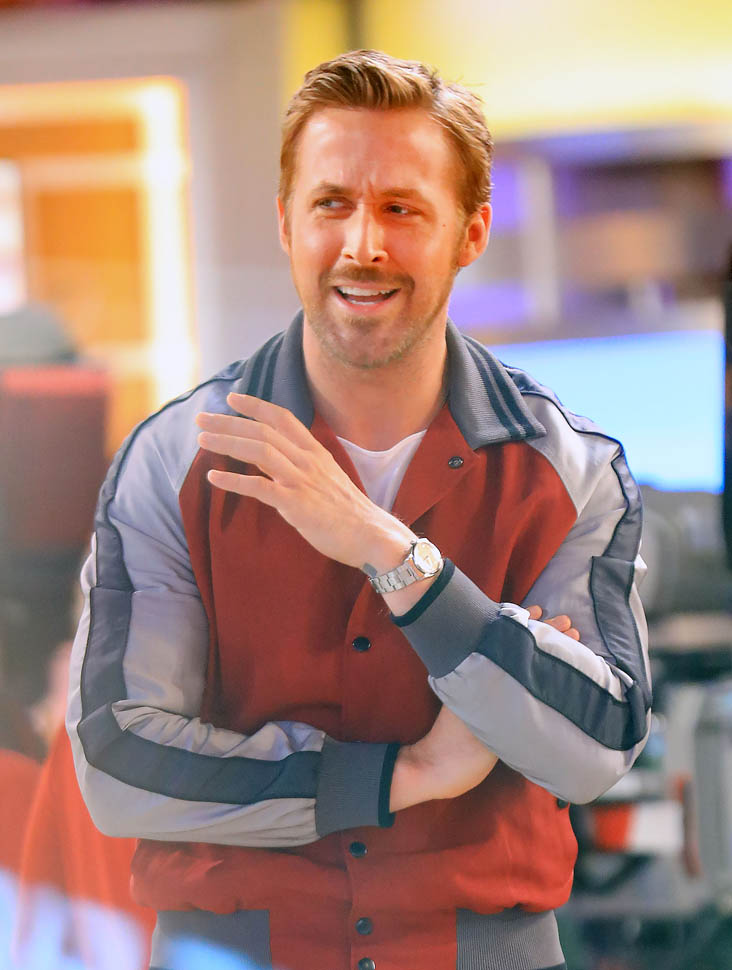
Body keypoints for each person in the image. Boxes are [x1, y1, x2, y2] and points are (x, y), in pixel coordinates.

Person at [67, 50, 651, 970]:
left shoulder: (571, 472)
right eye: (332, 204)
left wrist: (393, 555)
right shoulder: (173, 462)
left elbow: (593, 743)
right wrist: (406, 773)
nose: (362, 245)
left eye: (401, 209)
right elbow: (119, 764)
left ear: (470, 232)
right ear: (286, 223)